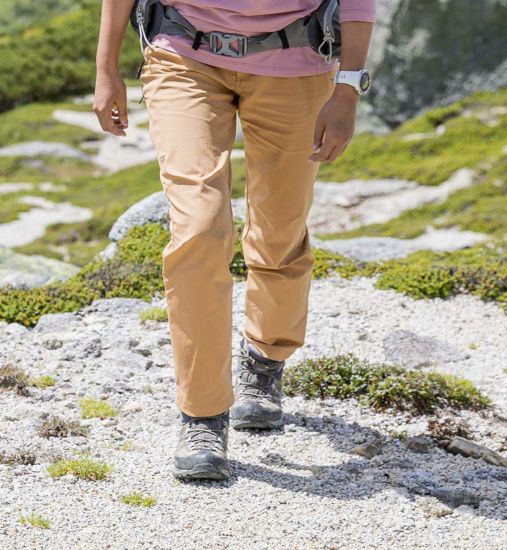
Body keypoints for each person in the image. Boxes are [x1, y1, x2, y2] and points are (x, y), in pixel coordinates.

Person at [94, 0, 375, 481]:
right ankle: (202, 415)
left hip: (298, 64)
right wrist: (105, 69)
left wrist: (347, 89)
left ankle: (265, 359)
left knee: (280, 229)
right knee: (199, 228)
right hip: (184, 57)